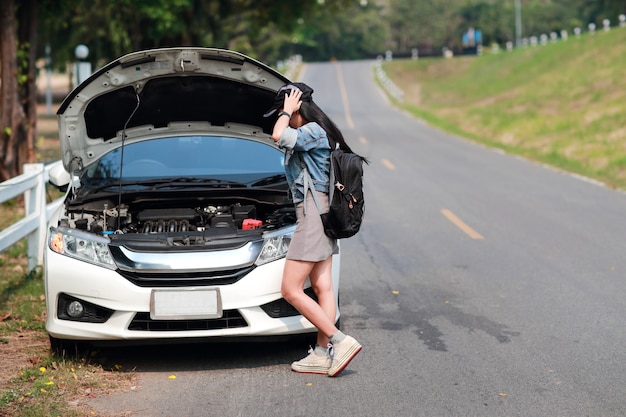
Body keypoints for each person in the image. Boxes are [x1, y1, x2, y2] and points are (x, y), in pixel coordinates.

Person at [263, 82, 362, 377]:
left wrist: (287, 111)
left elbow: (279, 135)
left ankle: (339, 341)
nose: (280, 116)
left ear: (297, 108)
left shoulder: (312, 131)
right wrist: (287, 111)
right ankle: (321, 353)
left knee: (291, 289)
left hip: (312, 216)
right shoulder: (318, 132)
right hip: (320, 214)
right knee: (322, 287)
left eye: (284, 111)